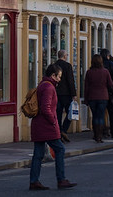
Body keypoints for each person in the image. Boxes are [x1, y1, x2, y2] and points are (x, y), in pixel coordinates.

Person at [28, 63, 77, 191]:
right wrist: (54, 122)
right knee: (60, 149)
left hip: (38, 124)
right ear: (53, 75)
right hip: (46, 125)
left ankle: (34, 181)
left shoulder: (42, 85)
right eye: (59, 76)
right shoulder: (49, 87)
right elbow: (46, 108)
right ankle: (61, 179)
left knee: (38, 154)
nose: (60, 79)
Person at [84, 53, 113, 143]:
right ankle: (100, 136)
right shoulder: (105, 72)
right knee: (100, 116)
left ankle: (95, 134)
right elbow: (110, 84)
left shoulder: (89, 72)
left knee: (95, 116)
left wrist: (86, 99)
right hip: (103, 97)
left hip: (92, 97)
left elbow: (86, 87)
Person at [54, 49, 77, 143]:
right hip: (66, 94)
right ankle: (63, 130)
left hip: (56, 93)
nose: (67, 56)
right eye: (66, 55)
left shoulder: (54, 66)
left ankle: (59, 133)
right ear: (64, 56)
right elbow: (70, 81)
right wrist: (73, 94)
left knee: (58, 114)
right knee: (70, 113)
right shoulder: (67, 66)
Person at [99, 49, 113, 138]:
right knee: (112, 112)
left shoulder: (97, 65)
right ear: (108, 56)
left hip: (100, 92)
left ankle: (104, 130)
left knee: (102, 112)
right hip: (110, 92)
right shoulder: (112, 65)